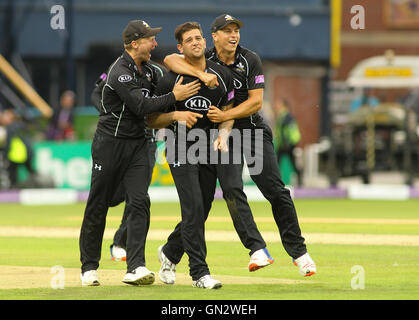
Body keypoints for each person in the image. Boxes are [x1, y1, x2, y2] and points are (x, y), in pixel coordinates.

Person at [164, 14, 316, 277]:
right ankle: (256, 249)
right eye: (227, 31)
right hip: (224, 134)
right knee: (231, 189)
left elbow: (256, 102)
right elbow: (170, 59)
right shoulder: (206, 58)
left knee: (275, 190)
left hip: (252, 129)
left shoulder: (250, 59)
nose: (233, 35)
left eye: (236, 30)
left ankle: (299, 253)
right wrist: (200, 74)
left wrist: (225, 116)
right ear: (215, 36)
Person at [78, 19, 201, 287]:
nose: (155, 43)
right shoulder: (119, 71)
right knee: (98, 205)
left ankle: (135, 266)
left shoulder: (152, 71)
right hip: (110, 144)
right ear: (135, 43)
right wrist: (175, 100)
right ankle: (89, 267)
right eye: (150, 39)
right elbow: (141, 105)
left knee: (139, 202)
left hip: (139, 145)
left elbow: (171, 67)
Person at [146, 21, 240, 289]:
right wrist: (176, 115)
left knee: (203, 208)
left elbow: (228, 112)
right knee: (193, 207)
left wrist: (223, 133)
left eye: (199, 38)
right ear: (180, 47)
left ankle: (170, 252)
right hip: (178, 147)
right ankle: (199, 273)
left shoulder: (221, 77)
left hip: (208, 149)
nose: (196, 42)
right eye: (189, 40)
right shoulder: (170, 79)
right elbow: (151, 120)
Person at [90, 60, 168, 262]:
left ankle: (120, 243)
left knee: (138, 195)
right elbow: (96, 94)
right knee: (114, 197)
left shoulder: (159, 72)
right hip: (116, 139)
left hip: (147, 140)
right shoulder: (116, 68)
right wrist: (110, 114)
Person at [274, 98, 302, 186]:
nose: (276, 106)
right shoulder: (282, 116)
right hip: (283, 144)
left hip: (287, 144)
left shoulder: (286, 116)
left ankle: (300, 180)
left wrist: (287, 142)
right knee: (278, 164)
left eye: (278, 104)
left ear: (283, 105)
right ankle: (277, 182)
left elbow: (288, 131)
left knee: (289, 163)